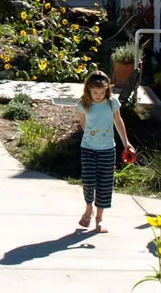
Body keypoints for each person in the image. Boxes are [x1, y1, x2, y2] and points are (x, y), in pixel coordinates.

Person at [55, 71, 133, 232]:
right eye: (95, 92)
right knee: (89, 181)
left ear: (107, 90)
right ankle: (88, 208)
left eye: (102, 92)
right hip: (88, 148)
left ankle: (99, 219)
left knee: (104, 185)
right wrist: (92, 135)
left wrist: (126, 143)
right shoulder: (84, 104)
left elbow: (118, 122)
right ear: (88, 89)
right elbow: (83, 125)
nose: (98, 96)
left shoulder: (112, 103)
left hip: (107, 150)